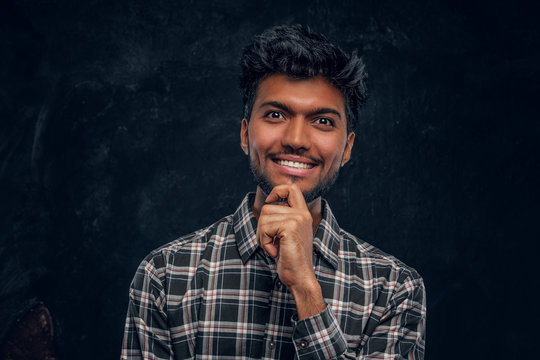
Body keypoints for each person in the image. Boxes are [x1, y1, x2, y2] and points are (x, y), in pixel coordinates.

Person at [121, 24, 426, 359]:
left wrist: (306, 289)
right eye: (276, 114)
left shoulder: (394, 289)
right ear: (244, 133)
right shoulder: (165, 274)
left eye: (323, 121)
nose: (296, 139)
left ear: (348, 147)